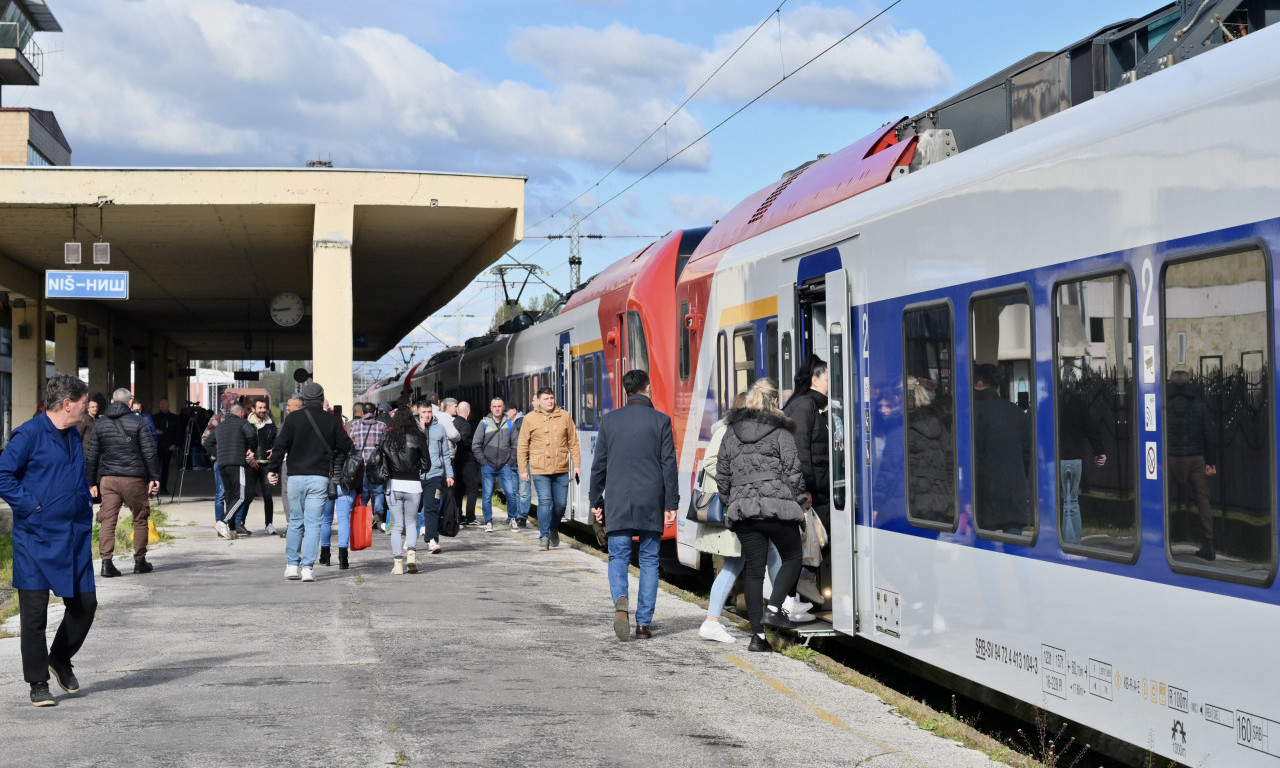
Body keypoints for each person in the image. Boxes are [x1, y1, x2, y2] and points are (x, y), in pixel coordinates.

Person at [0, 374, 96, 707]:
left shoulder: (73, 433)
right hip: (36, 538)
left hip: (74, 536)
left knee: (85, 606)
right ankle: (38, 682)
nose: (87, 409)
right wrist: (29, 506)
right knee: (34, 615)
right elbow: (3, 474)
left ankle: (60, 657)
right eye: (83, 404)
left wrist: (84, 500)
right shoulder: (28, 434)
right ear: (67, 403)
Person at [717, 378, 807, 653]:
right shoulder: (780, 430)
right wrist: (801, 502)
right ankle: (775, 606)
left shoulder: (731, 432)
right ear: (773, 402)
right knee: (793, 557)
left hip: (744, 511)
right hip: (777, 508)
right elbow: (793, 470)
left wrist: (729, 502)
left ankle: (757, 637)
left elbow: (723, 474)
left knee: (754, 572)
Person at [590, 370, 678, 641]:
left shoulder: (610, 420)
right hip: (651, 500)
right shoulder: (661, 421)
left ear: (626, 392)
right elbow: (668, 466)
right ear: (648, 389)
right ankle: (642, 625)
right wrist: (671, 502)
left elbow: (599, 466)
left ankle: (620, 599)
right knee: (650, 560)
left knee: (618, 556)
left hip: (618, 499)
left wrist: (596, 500)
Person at [696, 393, 788, 643]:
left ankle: (782, 604)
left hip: (744, 508)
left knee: (771, 551)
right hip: (732, 508)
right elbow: (711, 462)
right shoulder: (725, 430)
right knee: (734, 564)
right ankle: (712, 621)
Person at [267, 382, 351, 582]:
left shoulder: (293, 419)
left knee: (296, 522)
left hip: (295, 477)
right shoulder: (332, 420)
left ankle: (292, 565)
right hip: (319, 478)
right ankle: (307, 569)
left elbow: (279, 446)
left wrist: (272, 470)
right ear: (322, 399)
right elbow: (346, 446)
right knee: (314, 524)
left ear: (303, 400)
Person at [84, 387, 162, 576]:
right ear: (129, 403)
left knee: (108, 520)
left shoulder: (100, 424)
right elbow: (149, 452)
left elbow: (92, 455)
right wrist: (154, 477)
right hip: (134, 479)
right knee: (140, 518)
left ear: (112, 402)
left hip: (108, 479)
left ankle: (106, 563)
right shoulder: (139, 422)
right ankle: (139, 561)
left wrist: (91, 482)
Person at [780, 354, 828, 616]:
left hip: (817, 486)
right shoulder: (806, 406)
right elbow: (800, 450)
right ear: (815, 380)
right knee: (817, 536)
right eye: (828, 378)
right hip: (812, 490)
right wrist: (806, 488)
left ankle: (801, 589)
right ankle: (803, 580)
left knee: (817, 537)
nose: (831, 383)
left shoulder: (808, 405)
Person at [972, 363, 1032, 535]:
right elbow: (1027, 453)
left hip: (985, 493)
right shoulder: (1017, 412)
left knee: (984, 551)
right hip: (1015, 492)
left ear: (980, 383)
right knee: (1015, 551)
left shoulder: (972, 413)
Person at [519, 387, 581, 549]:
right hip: (540, 469)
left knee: (560, 504)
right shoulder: (530, 418)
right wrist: (523, 469)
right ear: (538, 401)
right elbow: (522, 445)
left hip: (561, 468)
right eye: (546, 399)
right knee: (545, 501)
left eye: (552, 398)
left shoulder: (564, 416)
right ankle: (544, 536)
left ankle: (553, 528)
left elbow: (573, 443)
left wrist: (577, 465)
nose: (550, 401)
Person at [1166, 369, 1218, 560]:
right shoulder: (1199, 405)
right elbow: (1209, 435)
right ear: (1189, 382)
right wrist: (1211, 462)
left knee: (1164, 501)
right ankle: (1209, 543)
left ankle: (1163, 542)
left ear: (1171, 382)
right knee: (1203, 501)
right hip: (1196, 458)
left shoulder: (1163, 404)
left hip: (1170, 459)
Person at [380, 407, 430, 574]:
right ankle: (411, 556)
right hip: (413, 485)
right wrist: (418, 470)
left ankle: (398, 563)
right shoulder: (419, 437)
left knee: (396, 526)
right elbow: (427, 464)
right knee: (411, 522)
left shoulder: (388, 437)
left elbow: (381, 460)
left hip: (393, 485)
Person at [1058, 381, 1106, 545]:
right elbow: (1092, 428)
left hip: (1059, 459)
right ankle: (1075, 543)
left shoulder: (1053, 403)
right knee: (1073, 502)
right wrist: (1100, 451)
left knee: (1064, 502)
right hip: (1076, 459)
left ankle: (1065, 541)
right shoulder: (1080, 404)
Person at [204, 402, 258, 540]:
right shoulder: (242, 422)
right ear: (240, 413)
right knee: (240, 496)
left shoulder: (221, 426)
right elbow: (251, 435)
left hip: (222, 464)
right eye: (243, 413)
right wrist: (252, 449)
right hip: (237, 463)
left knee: (230, 496)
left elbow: (207, 443)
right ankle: (222, 522)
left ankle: (232, 528)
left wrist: (218, 454)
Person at [471, 397, 518, 533]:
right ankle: (488, 521)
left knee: (511, 493)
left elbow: (515, 446)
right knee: (487, 495)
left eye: (499, 406)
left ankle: (512, 518)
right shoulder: (484, 424)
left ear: (503, 408)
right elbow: (476, 445)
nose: (497, 409)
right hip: (488, 465)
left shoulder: (510, 424)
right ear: (490, 408)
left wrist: (510, 462)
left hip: (505, 465)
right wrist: (483, 462)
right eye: (494, 406)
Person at [417, 401, 454, 553]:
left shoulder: (440, 429)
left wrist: (449, 475)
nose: (426, 415)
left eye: (429, 412)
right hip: (416, 476)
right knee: (413, 510)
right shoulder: (414, 429)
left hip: (435, 475)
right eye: (423, 412)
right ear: (418, 413)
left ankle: (432, 540)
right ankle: (410, 539)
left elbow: (445, 454)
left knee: (432, 508)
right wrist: (421, 430)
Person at [349, 400, 389, 533]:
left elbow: (351, 445)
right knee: (378, 492)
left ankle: (362, 518)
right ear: (376, 412)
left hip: (361, 465)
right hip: (377, 466)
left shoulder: (354, 425)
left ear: (362, 413)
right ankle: (378, 514)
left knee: (363, 493)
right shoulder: (382, 425)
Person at [246, 398, 279, 535]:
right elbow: (242, 443)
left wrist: (275, 449)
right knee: (247, 495)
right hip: (250, 464)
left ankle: (269, 524)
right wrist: (250, 458)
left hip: (266, 465)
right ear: (253, 409)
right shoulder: (246, 424)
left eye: (264, 407)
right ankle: (240, 523)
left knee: (268, 495)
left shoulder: (271, 425)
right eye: (260, 408)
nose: (263, 410)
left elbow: (278, 440)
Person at [452, 401, 480, 526]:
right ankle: (470, 516)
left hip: (455, 460)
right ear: (468, 412)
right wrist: (471, 444)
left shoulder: (453, 423)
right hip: (467, 461)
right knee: (473, 488)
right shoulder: (466, 425)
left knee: (459, 489)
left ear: (458, 411)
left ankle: (458, 514)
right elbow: (463, 439)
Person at [512, 397, 533, 529]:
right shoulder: (509, 424)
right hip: (513, 462)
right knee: (517, 490)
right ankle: (518, 515)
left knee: (522, 490)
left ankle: (521, 516)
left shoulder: (519, 423)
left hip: (523, 462)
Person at [152, 398, 180, 496]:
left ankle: (163, 488)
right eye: (161, 404)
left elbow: (178, 432)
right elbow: (148, 429)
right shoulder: (154, 417)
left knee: (165, 468)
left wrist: (175, 444)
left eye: (165, 404)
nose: (163, 406)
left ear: (168, 405)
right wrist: (154, 432)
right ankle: (154, 488)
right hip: (157, 447)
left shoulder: (174, 418)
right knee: (155, 468)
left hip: (168, 447)